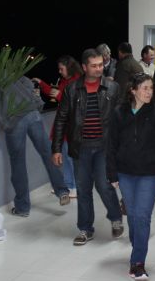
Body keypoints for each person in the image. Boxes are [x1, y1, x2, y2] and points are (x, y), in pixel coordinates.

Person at [107, 74, 155, 281]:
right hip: (125, 172)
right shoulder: (119, 113)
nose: (149, 92)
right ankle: (137, 245)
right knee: (132, 215)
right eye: (145, 88)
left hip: (150, 173)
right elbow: (111, 145)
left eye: (151, 88)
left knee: (142, 216)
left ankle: (138, 262)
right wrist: (111, 172)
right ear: (133, 90)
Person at [52, 48, 124, 246]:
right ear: (84, 67)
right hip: (80, 147)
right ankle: (85, 229)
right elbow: (61, 119)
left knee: (104, 185)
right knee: (83, 189)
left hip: (104, 147)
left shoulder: (113, 87)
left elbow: (121, 119)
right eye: (94, 66)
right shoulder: (71, 89)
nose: (99, 69)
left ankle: (116, 218)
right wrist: (56, 148)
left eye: (101, 65)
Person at [0, 75, 70, 217]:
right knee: (47, 152)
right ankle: (62, 191)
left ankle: (23, 208)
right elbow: (30, 85)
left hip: (14, 119)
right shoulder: (15, 73)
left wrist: (1, 121)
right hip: (33, 113)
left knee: (18, 163)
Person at [34, 54, 83, 195]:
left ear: (69, 67)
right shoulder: (65, 81)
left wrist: (59, 96)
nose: (59, 71)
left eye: (61, 69)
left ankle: (75, 186)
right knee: (66, 156)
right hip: (64, 123)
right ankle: (69, 184)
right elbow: (54, 93)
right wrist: (41, 83)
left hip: (73, 124)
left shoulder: (78, 81)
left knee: (70, 157)